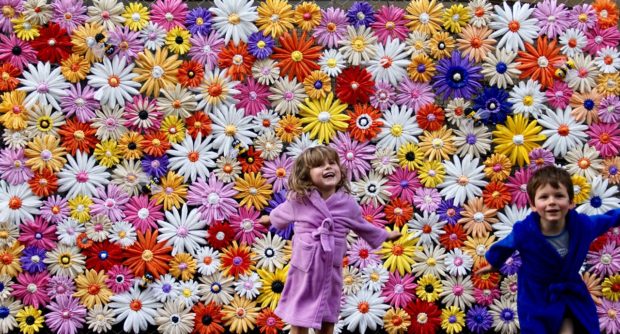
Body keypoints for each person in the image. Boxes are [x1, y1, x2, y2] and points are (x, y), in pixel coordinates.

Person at [259, 146, 401, 334]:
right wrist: (269, 219)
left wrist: (384, 235)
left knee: (327, 315)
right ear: (306, 174)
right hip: (304, 267)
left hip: (330, 268)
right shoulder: (299, 199)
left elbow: (361, 226)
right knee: (298, 316)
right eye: (319, 165)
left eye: (332, 163)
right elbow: (281, 213)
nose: (328, 167)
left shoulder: (347, 204)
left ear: (340, 170)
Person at [477, 165, 620, 333]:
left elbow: (609, 219)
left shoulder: (583, 226)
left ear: (571, 202)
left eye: (559, 195)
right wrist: (494, 262)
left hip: (569, 290)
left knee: (574, 325)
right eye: (544, 197)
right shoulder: (525, 232)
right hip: (536, 293)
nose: (552, 202)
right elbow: (505, 245)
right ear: (533, 205)